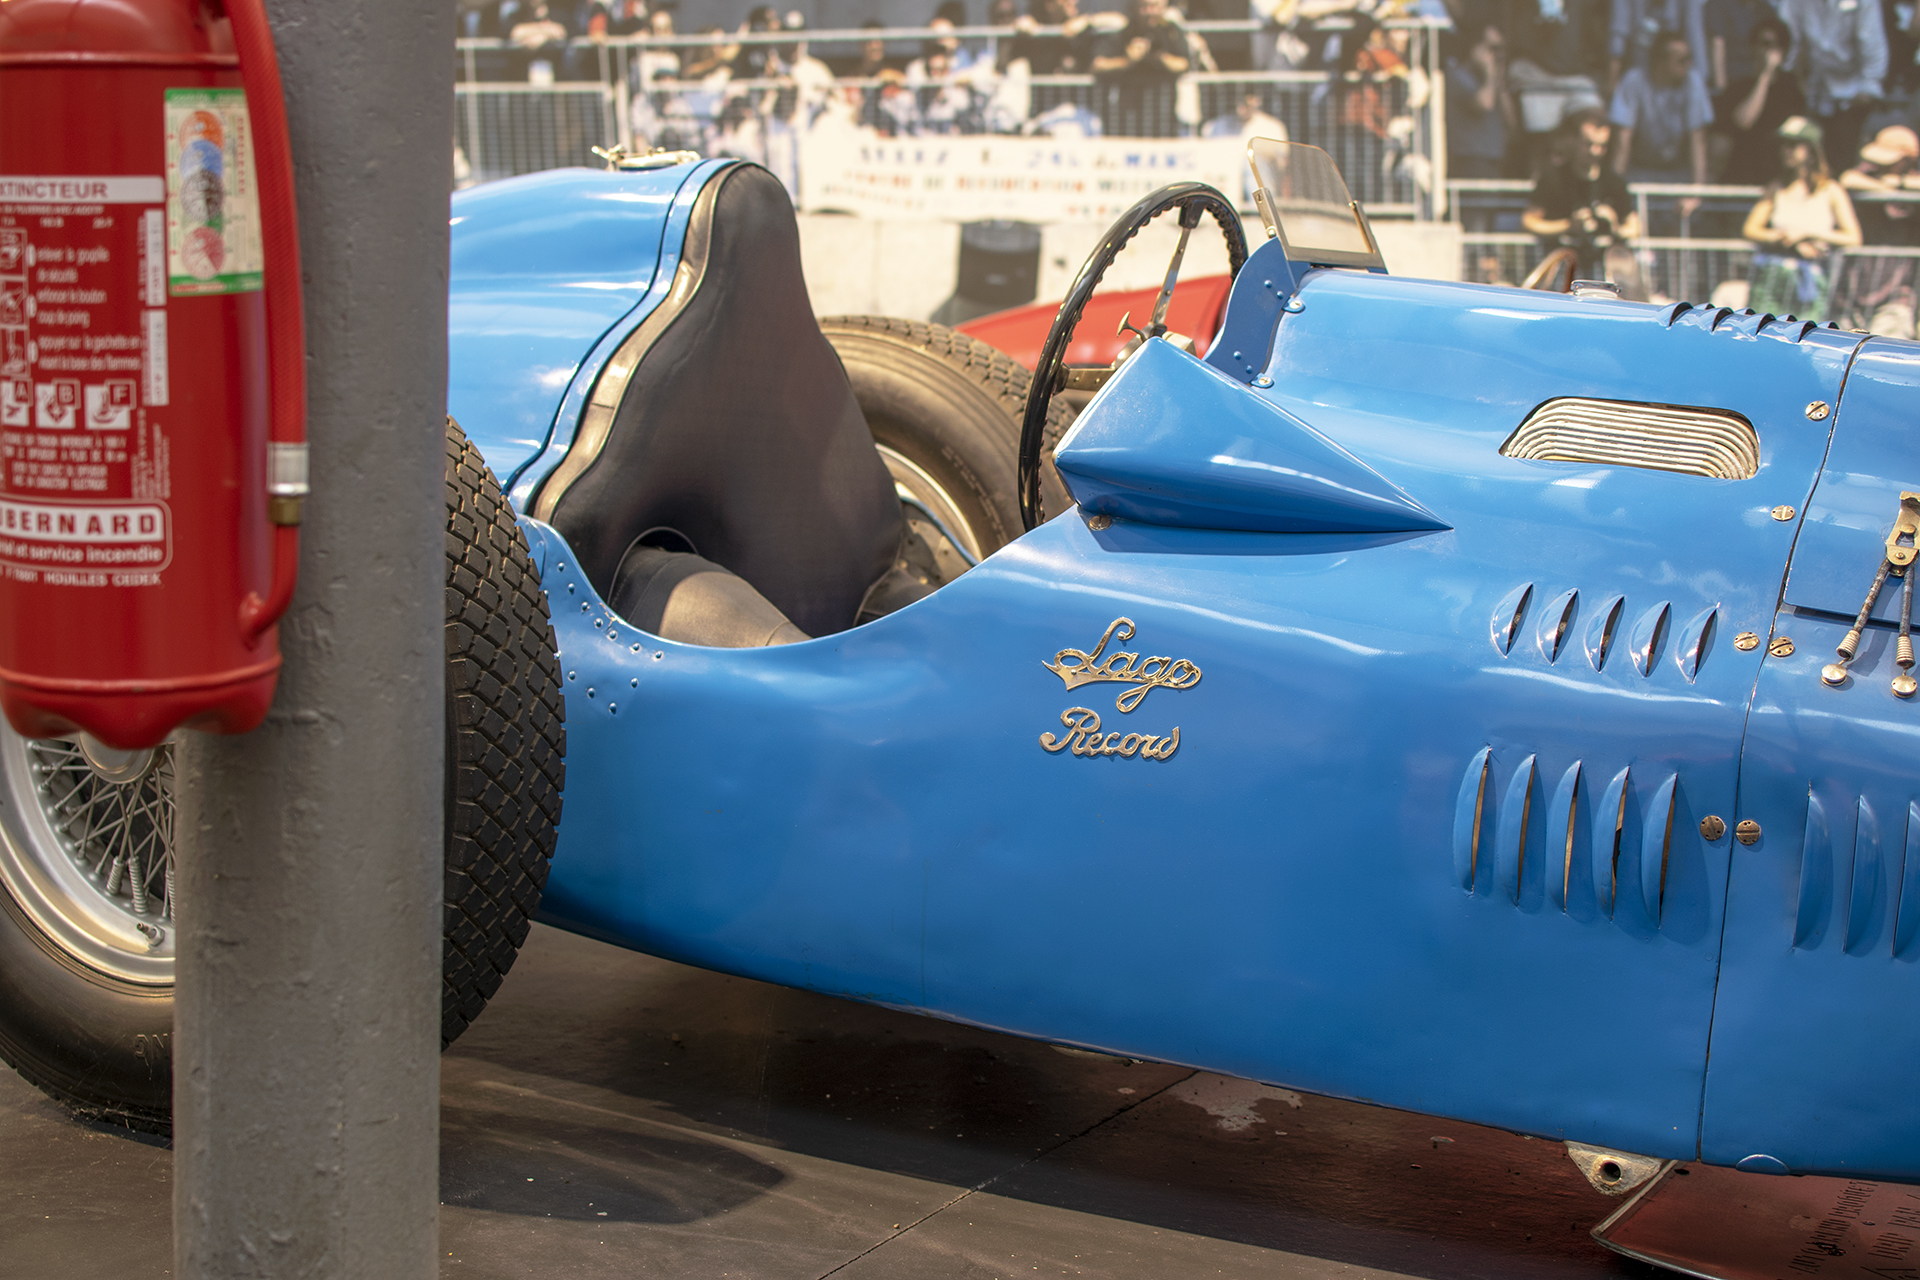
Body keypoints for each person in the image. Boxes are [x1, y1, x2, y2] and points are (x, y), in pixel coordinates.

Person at [1744, 115, 1862, 320]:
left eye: (1793, 144)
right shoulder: (1776, 188)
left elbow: (1853, 237)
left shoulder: (1831, 189)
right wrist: (1785, 238)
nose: (1786, 150)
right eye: (1784, 145)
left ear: (1811, 150)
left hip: (1811, 280)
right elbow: (1751, 229)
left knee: (1806, 342)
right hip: (1773, 276)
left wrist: (1807, 234)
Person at [1524, 107, 1645, 282]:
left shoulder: (1613, 181)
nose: (1595, 151)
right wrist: (1568, 226)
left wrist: (1615, 226)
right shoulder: (1553, 177)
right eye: (1588, 144)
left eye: (1601, 146)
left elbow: (1635, 228)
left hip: (1604, 270)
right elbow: (1529, 221)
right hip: (1562, 266)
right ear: (1573, 141)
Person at [1609, 28, 1712, 224]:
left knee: (1686, 219)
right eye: (1682, 60)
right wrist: (1615, 192)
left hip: (1677, 172)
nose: (1689, 64)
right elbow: (1622, 142)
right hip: (1639, 170)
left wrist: (1697, 193)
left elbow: (1698, 142)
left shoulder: (1693, 81)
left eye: (1690, 58)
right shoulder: (1633, 81)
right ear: (1660, 62)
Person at [1778, 0, 1888, 171]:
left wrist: (1866, 91)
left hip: (1853, 96)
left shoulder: (1864, 2)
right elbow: (1790, 41)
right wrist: (1794, 79)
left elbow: (1873, 49)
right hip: (1812, 92)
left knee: (1844, 164)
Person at [1835, 124, 1920, 332]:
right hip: (1853, 292)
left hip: (1896, 296)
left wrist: (1902, 184)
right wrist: (1888, 189)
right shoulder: (1870, 173)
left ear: (1907, 160)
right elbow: (1847, 179)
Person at [1714, 17, 1806, 184]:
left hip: (1778, 178)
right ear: (1753, 47)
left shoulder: (1791, 92)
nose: (1769, 51)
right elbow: (1744, 121)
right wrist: (1765, 76)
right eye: (1764, 44)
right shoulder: (1737, 89)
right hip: (1743, 175)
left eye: (1776, 45)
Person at [1090, 0, 1190, 135]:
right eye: (1144, 7)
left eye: (1154, 6)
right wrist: (1127, 61)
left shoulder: (1171, 31)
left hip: (1164, 118)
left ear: (1163, 6)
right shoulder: (1125, 31)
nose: (1149, 12)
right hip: (1128, 118)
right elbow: (1097, 65)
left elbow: (1184, 64)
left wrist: (1157, 57)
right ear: (1135, 7)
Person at [1447, 19, 1517, 178]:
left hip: (1495, 157)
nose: (1497, 55)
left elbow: (1511, 122)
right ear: (1476, 48)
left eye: (1501, 49)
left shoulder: (1494, 82)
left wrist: (1499, 82)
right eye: (1492, 48)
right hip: (1472, 159)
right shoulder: (1459, 75)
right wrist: (1490, 73)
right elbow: (1484, 104)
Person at [1608, 0, 1706, 84]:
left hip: (1676, 74)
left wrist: (1700, 78)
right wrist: (1613, 77)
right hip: (1640, 65)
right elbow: (1619, 29)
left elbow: (1693, 32)